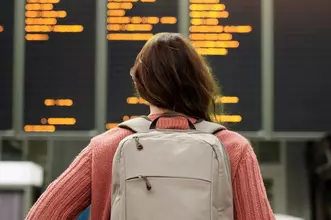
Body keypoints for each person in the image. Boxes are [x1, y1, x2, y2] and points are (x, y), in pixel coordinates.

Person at [26, 32, 275, 220]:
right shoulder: (233, 148)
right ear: (200, 82)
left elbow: (42, 216)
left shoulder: (106, 147)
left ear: (141, 85)